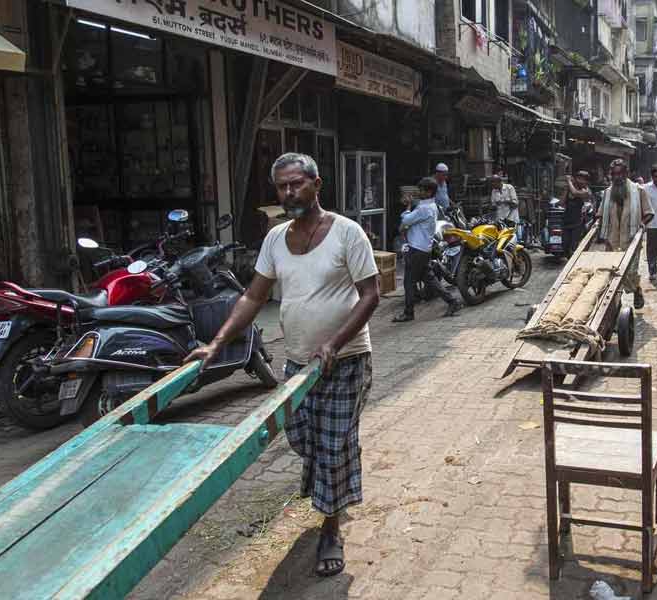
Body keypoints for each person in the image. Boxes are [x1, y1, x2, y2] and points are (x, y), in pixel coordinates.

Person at [184, 152, 379, 578]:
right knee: (302, 437)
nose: (289, 192)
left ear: (316, 183)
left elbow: (370, 295)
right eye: (282, 186)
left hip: (344, 361)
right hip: (297, 365)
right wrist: (216, 344)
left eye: (296, 184)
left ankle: (330, 528)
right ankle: (340, 471)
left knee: (330, 446)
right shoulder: (275, 239)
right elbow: (254, 296)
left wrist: (333, 342)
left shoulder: (348, 234)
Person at [393, 177, 462, 322]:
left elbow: (405, 220)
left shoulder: (424, 208)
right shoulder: (430, 206)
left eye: (422, 190)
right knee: (430, 279)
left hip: (417, 249)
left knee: (409, 282)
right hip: (424, 249)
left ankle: (408, 312)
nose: (419, 192)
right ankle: (452, 301)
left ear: (429, 191)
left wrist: (407, 208)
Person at [597, 159, 654, 309]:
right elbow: (600, 214)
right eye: (614, 174)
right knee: (612, 272)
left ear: (626, 174)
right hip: (612, 239)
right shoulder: (608, 193)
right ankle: (616, 302)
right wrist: (596, 224)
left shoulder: (638, 190)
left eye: (620, 173)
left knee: (630, 272)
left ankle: (636, 290)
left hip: (631, 239)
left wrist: (642, 223)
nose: (617, 177)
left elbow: (649, 213)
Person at [561, 170, 592, 258]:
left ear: (586, 181)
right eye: (579, 178)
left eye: (583, 179)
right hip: (566, 221)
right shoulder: (570, 188)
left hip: (577, 223)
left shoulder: (586, 191)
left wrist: (569, 181)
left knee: (573, 247)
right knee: (564, 246)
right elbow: (562, 203)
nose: (581, 181)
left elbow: (575, 193)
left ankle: (571, 265)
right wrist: (566, 189)